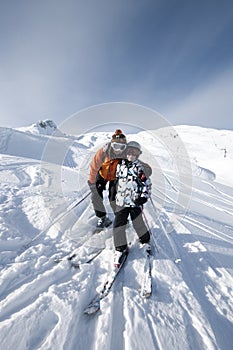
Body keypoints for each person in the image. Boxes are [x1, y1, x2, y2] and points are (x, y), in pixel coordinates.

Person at [113, 141, 152, 267]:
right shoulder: (120, 166)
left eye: (134, 152)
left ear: (138, 154)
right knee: (118, 226)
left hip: (135, 202)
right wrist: (114, 192)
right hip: (121, 202)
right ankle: (120, 248)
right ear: (126, 151)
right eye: (129, 151)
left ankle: (145, 241)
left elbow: (147, 184)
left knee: (138, 223)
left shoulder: (140, 168)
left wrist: (143, 197)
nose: (131, 154)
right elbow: (117, 180)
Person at [88, 129, 127, 231]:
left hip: (116, 177)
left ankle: (120, 218)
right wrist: (92, 183)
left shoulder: (126, 154)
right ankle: (102, 218)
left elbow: (135, 165)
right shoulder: (104, 151)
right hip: (102, 174)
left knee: (114, 198)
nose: (118, 150)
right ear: (112, 144)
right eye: (116, 146)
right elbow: (94, 166)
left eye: (121, 147)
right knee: (96, 195)